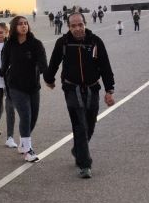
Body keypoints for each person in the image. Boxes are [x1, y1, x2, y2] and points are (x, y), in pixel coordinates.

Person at [44, 13, 115, 179]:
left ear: (85, 23)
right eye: (73, 26)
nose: (77, 28)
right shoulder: (63, 43)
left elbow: (105, 66)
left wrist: (109, 90)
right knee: (80, 126)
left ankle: (77, 150)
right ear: (68, 27)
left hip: (92, 88)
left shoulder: (95, 42)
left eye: (80, 25)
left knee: (90, 124)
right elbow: (53, 63)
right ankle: (85, 165)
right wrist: (49, 79)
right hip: (71, 89)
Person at [0, 16, 48, 162]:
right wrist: (2, 74)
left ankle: (23, 142)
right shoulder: (9, 45)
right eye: (20, 24)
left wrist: (47, 77)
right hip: (16, 86)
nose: (23, 26)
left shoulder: (36, 44)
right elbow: (4, 64)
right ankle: (28, 150)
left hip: (33, 86)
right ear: (14, 27)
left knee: (33, 117)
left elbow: (43, 63)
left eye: (25, 23)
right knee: (25, 115)